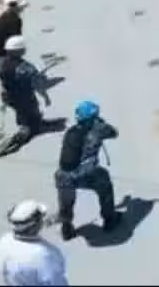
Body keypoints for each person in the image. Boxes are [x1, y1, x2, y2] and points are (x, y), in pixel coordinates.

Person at [55, 100, 120, 241]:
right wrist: (102, 124)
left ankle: (66, 226)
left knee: (66, 200)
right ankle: (109, 219)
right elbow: (114, 133)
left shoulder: (70, 131)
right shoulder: (98, 131)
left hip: (63, 177)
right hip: (85, 174)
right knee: (104, 182)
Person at [0, 36, 51, 155]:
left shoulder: (0, 61)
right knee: (27, 118)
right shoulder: (25, 68)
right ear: (20, 51)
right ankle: (14, 141)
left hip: (9, 96)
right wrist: (46, 97)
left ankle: (36, 122)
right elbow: (37, 84)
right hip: (25, 97)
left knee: (27, 112)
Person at [0, 200, 68, 286]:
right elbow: (57, 282)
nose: (43, 220)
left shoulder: (4, 241)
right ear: (35, 226)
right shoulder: (47, 255)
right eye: (41, 218)